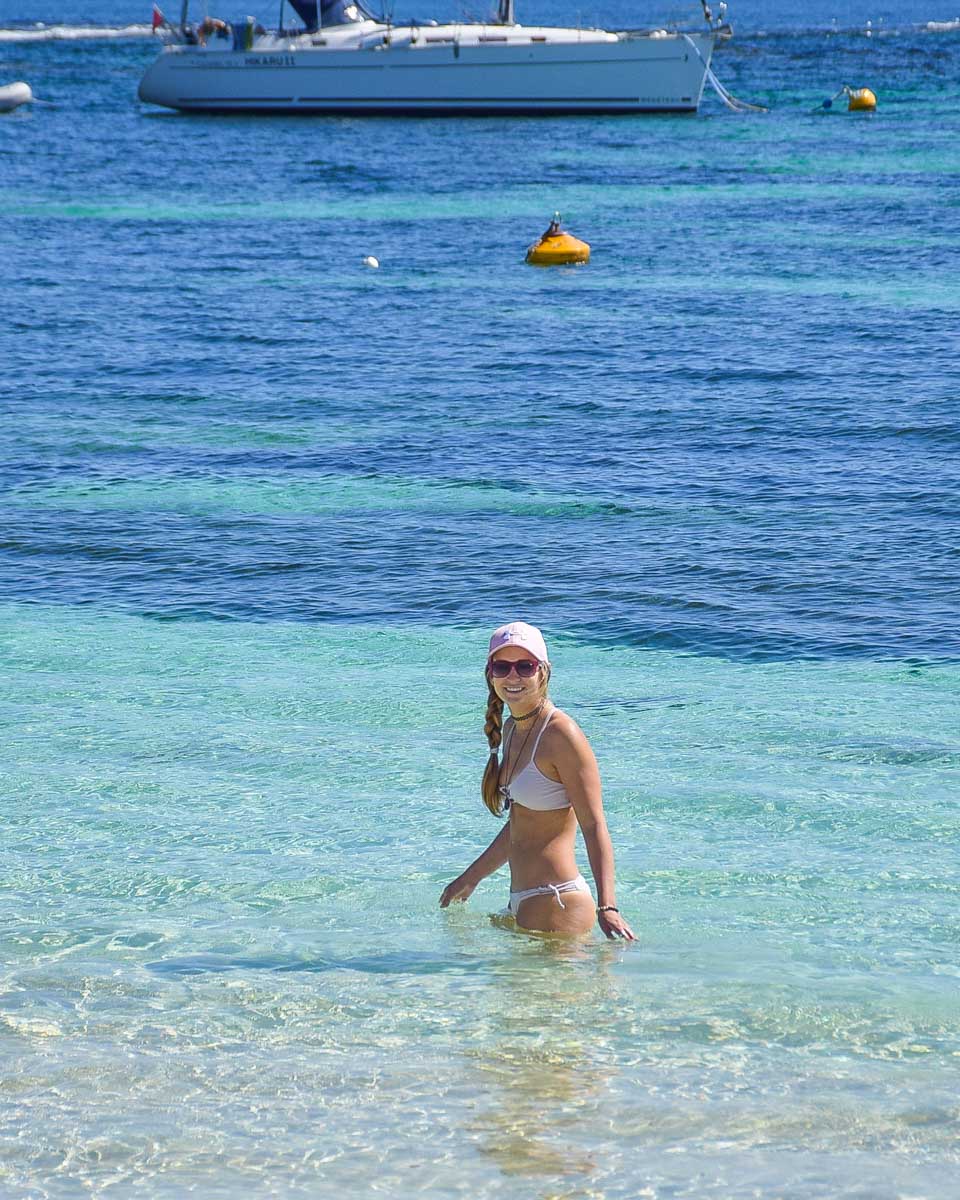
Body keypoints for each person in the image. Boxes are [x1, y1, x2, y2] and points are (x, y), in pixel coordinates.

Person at [440, 622, 636, 940]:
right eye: (502, 667)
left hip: (557, 901)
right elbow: (522, 824)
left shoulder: (561, 733)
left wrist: (608, 907)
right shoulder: (511, 730)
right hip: (522, 902)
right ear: (490, 674)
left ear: (543, 671)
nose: (512, 676)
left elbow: (594, 825)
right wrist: (470, 877)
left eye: (525, 666)